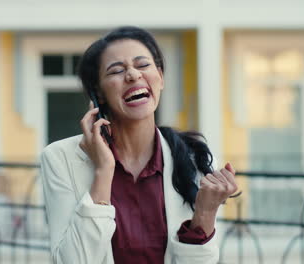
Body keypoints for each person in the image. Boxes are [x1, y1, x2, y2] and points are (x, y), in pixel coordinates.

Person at [40, 26, 239, 264]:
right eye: (116, 70)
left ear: (161, 77)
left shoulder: (194, 159)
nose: (133, 75)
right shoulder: (60, 158)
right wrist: (104, 171)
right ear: (98, 94)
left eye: (143, 65)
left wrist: (205, 213)